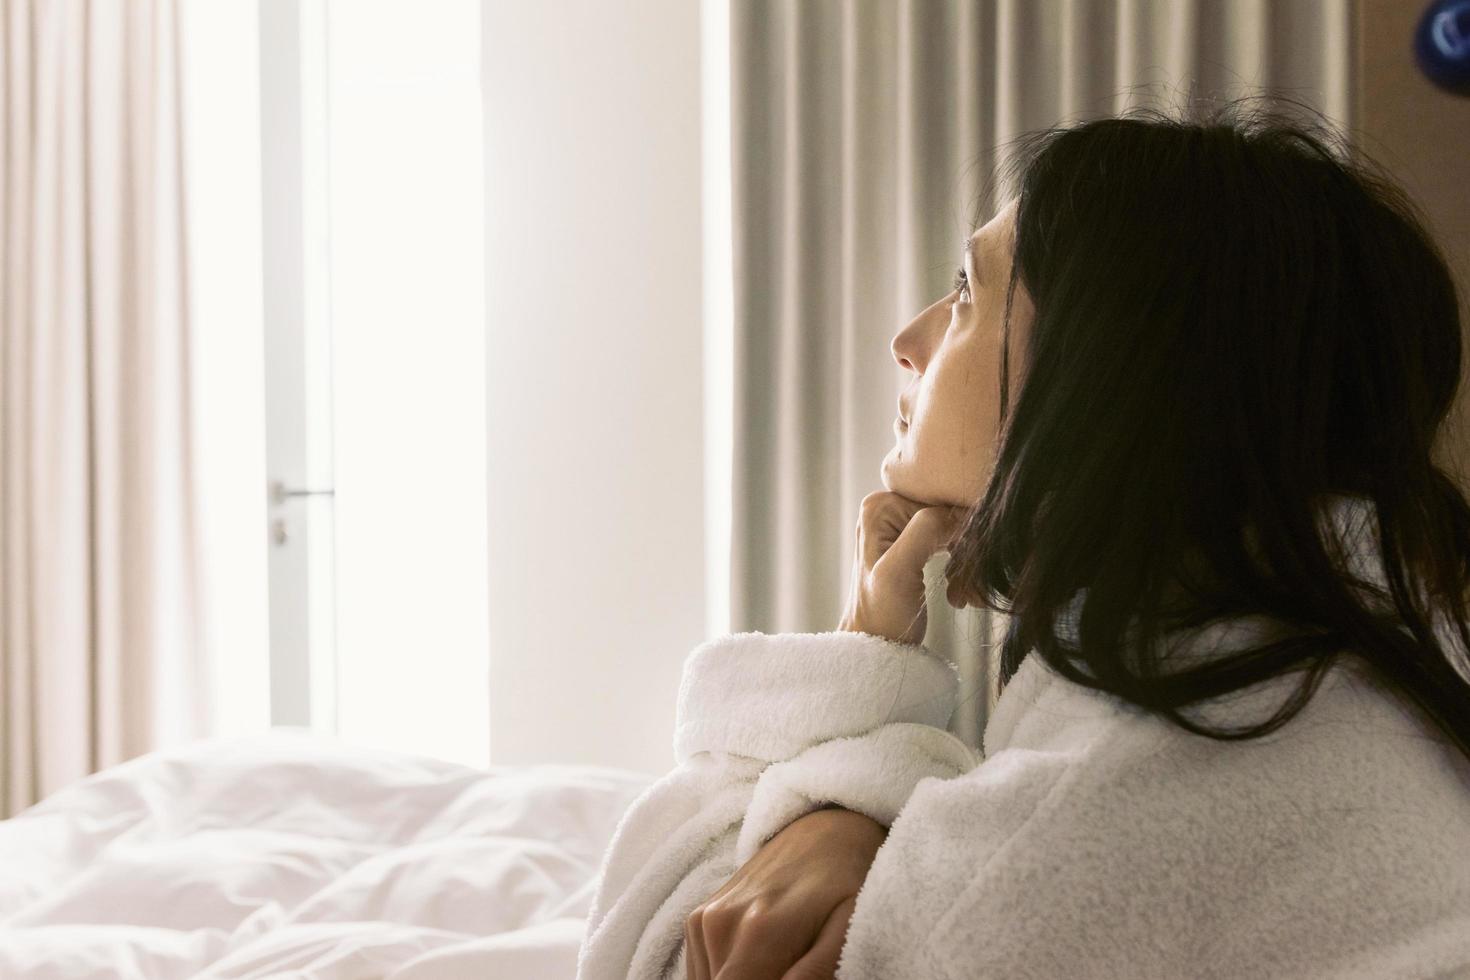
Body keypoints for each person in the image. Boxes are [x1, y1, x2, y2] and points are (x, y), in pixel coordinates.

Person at [575, 97, 1470, 980]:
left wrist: (849, 726)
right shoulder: (1383, 660)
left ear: (1111, 368)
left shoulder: (1106, 801)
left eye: (967, 291)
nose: (907, 339)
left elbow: (667, 956)